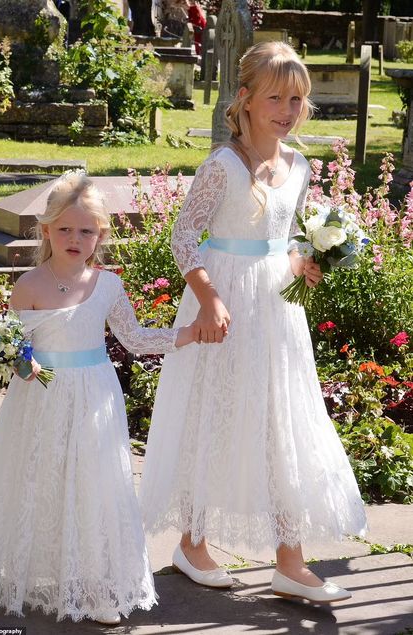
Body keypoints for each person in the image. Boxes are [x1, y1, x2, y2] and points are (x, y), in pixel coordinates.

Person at [139, 41, 367, 603]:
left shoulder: (298, 167)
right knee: (212, 416)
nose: (288, 109)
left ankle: (290, 560)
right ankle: (192, 543)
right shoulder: (222, 166)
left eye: (297, 98)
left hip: (275, 309)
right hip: (222, 302)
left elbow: (283, 239)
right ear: (244, 100)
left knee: (280, 420)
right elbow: (183, 237)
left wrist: (304, 262)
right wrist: (210, 299)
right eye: (276, 97)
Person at [0, 172, 198, 625]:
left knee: (94, 481)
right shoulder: (29, 285)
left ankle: (95, 584)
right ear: (46, 230)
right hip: (42, 397)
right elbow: (15, 343)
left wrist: (188, 333)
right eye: (64, 228)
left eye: (86, 230)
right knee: (42, 475)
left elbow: (135, 337)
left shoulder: (107, 286)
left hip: (94, 396)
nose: (74, 238)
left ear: (100, 235)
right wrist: (20, 363)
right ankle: (40, 567)